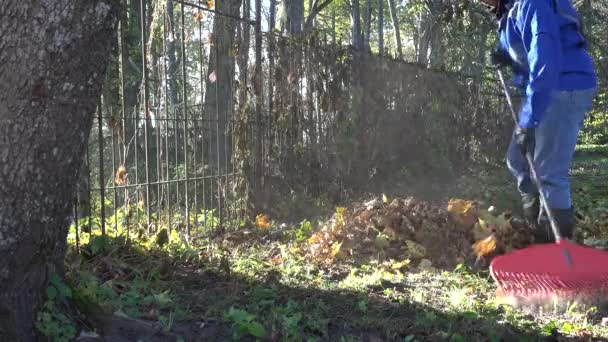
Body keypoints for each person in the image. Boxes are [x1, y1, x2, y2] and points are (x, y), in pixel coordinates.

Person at [480, 0, 597, 242]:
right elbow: (522, 51)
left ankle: (557, 248)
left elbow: (545, 59)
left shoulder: (533, 2)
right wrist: (504, 55)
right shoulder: (508, 13)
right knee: (518, 159)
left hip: (564, 85)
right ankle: (536, 226)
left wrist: (529, 120)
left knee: (549, 173)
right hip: (545, 88)